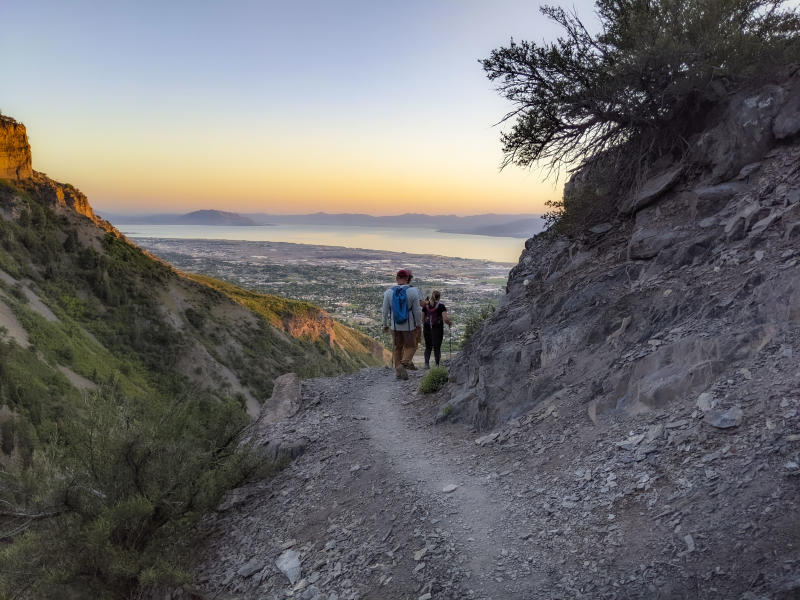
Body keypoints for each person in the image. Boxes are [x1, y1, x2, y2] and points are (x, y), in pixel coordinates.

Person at [382, 269, 423, 380]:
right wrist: (418, 324)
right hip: (409, 326)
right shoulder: (413, 291)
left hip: (394, 326)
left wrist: (384, 324)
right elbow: (417, 311)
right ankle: (404, 363)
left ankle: (398, 372)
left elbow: (385, 310)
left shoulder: (389, 292)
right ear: (407, 278)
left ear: (396, 278)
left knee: (397, 347)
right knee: (412, 345)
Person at [421, 290, 452, 368]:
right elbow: (445, 319)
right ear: (439, 297)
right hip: (437, 329)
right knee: (437, 347)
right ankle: (437, 365)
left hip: (427, 328)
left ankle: (426, 364)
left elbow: (422, 319)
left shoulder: (426, 306)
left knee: (428, 346)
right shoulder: (441, 306)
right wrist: (449, 323)